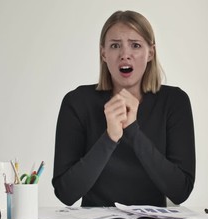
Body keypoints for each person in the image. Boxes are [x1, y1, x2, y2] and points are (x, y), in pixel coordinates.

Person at [52, 10, 195, 207]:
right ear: (103, 53)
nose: (125, 55)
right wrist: (109, 138)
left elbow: (180, 191)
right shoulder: (76, 102)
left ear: (150, 53)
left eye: (135, 45)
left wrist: (133, 130)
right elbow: (65, 193)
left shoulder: (175, 102)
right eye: (115, 45)